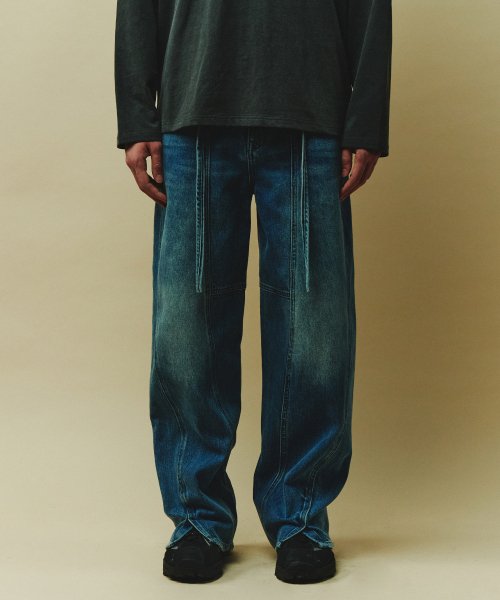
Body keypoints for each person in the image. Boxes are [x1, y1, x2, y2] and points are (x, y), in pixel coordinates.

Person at [114, 0, 392, 585]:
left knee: (315, 333)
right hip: (191, 114)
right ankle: (197, 519)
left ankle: (300, 518)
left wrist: (365, 119)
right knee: (187, 333)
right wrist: (138, 118)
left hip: (311, 118)